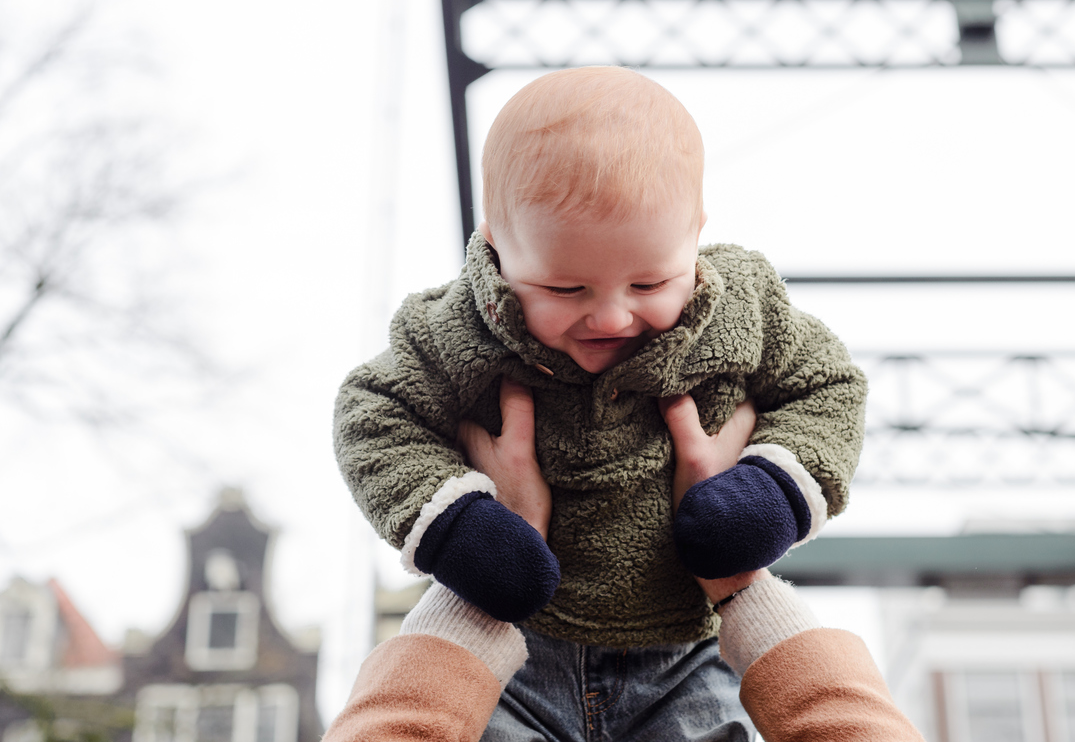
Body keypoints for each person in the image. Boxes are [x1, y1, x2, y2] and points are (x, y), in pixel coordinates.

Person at [333, 66, 868, 739]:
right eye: (565, 289)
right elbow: (372, 413)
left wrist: (768, 493)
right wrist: (460, 527)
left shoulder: (746, 309)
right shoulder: (453, 328)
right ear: (498, 241)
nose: (612, 316)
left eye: (650, 280)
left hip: (685, 649)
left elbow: (827, 387)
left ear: (696, 232)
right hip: (515, 647)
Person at [324, 396, 923, 741]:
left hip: (516, 647)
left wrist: (487, 570)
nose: (610, 320)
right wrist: (739, 584)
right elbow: (827, 391)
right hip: (685, 642)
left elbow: (373, 410)